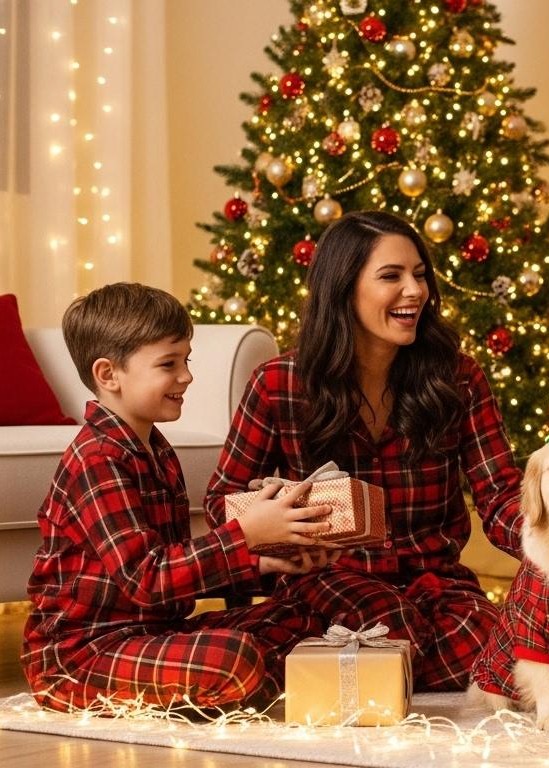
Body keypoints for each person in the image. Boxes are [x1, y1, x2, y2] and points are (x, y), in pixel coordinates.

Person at [204, 211, 524, 692]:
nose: (415, 291)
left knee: (502, 647)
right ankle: (365, 660)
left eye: (420, 274)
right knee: (390, 620)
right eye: (391, 276)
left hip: (435, 582)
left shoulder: (458, 377)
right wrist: (274, 516)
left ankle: (329, 661)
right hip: (327, 581)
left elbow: (499, 494)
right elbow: (220, 503)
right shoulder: (278, 384)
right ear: (343, 288)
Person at [23, 283, 338, 711]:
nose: (186, 376)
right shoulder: (97, 460)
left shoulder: (158, 451)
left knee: (301, 616)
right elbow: (147, 579)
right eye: (168, 364)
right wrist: (244, 534)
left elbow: (177, 566)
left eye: (185, 360)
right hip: (84, 654)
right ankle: (249, 682)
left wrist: (264, 562)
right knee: (235, 659)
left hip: (154, 634)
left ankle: (241, 684)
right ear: (108, 375)